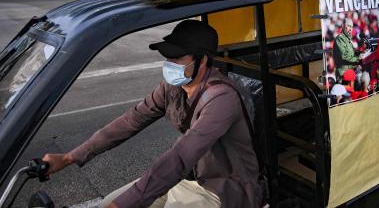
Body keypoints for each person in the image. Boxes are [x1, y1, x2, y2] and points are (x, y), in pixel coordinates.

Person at [42, 20, 261, 208]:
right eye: (168, 58)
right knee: (106, 202)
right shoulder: (172, 87)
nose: (170, 65)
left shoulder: (221, 98)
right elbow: (131, 120)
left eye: (177, 58)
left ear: (202, 60)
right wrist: (69, 157)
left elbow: (181, 156)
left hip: (222, 187)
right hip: (185, 177)